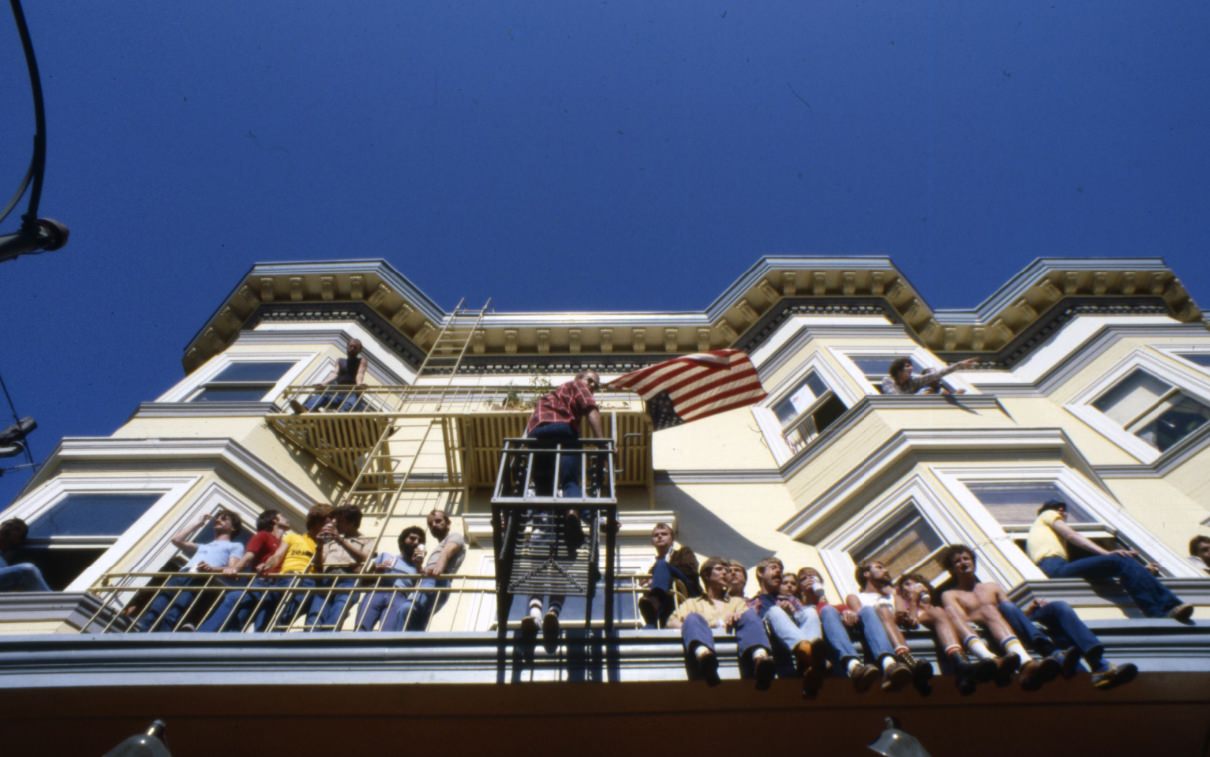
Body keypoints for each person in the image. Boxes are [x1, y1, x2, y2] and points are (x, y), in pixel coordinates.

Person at [941, 544, 1137, 690]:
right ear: (952, 569)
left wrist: (1030, 610)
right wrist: (985, 614)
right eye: (957, 562)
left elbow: (1013, 613)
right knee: (1002, 608)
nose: (963, 563)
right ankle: (1054, 653)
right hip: (995, 632)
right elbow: (961, 622)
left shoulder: (992, 586)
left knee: (1058, 607)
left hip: (1012, 624)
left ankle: (1099, 664)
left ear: (973, 562)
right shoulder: (952, 594)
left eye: (966, 558)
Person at [1027, 499, 1193, 620]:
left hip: (1056, 566)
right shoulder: (1047, 515)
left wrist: (1142, 572)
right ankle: (1168, 606)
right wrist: (1105, 553)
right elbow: (1071, 535)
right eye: (1058, 508)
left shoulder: (1042, 533)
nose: (1062, 511)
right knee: (1119, 560)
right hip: (1054, 565)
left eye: (1063, 509)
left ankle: (1157, 612)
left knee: (1120, 565)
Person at [666, 557, 777, 690]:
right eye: (719, 569)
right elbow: (671, 622)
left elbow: (749, 622)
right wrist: (699, 627)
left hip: (737, 646)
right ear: (707, 575)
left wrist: (739, 616)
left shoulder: (736, 602)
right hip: (704, 647)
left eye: (726, 570)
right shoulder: (692, 603)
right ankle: (705, 660)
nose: (725, 573)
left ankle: (761, 660)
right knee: (692, 618)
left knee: (750, 615)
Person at [136, 509, 245, 632]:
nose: (219, 520)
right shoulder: (204, 546)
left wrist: (211, 569)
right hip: (182, 574)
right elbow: (177, 540)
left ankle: (159, 643)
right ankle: (139, 637)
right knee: (156, 608)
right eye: (218, 517)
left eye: (224, 519)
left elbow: (232, 569)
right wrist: (198, 523)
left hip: (200, 578)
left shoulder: (235, 546)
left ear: (233, 528)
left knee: (174, 613)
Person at [892, 573, 991, 695]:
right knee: (939, 612)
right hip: (919, 617)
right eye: (907, 584)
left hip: (936, 617)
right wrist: (913, 600)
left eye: (917, 583)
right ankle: (959, 662)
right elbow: (913, 622)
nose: (913, 586)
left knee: (945, 611)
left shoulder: (937, 608)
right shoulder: (902, 601)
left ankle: (962, 663)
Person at [745, 558, 829, 695]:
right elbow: (753, 623)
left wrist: (791, 613)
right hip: (774, 642)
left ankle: (809, 659)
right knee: (774, 610)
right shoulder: (751, 602)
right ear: (760, 573)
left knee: (809, 611)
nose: (778, 571)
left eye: (780, 569)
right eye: (773, 568)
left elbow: (804, 619)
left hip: (792, 639)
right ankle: (812, 656)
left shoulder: (791, 600)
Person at [198, 509, 289, 632]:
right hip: (261, 583)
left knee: (258, 622)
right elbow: (249, 556)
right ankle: (203, 633)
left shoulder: (284, 543)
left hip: (276, 587)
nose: (286, 519)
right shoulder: (263, 535)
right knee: (235, 599)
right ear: (274, 520)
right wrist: (235, 569)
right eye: (282, 516)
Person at [795, 568, 883, 693]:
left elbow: (856, 621)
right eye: (803, 578)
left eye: (813, 576)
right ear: (799, 587)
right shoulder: (800, 611)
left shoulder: (839, 607)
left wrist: (850, 616)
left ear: (821, 582)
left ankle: (856, 666)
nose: (809, 579)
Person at [845, 562, 927, 692]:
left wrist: (912, 601)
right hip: (875, 639)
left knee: (884, 610)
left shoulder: (895, 597)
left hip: (897, 634)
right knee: (882, 610)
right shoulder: (855, 597)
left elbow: (906, 618)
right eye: (879, 567)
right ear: (866, 574)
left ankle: (905, 663)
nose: (886, 570)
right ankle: (907, 661)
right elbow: (864, 618)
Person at [256, 504, 332, 630]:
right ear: (317, 522)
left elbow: (319, 568)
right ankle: (263, 634)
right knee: (268, 609)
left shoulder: (326, 546)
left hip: (306, 581)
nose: (328, 527)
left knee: (285, 615)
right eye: (326, 523)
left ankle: (273, 635)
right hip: (285, 578)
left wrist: (319, 546)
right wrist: (267, 565)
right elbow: (277, 556)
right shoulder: (293, 537)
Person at [315, 504, 373, 630]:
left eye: (341, 521)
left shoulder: (367, 540)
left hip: (348, 578)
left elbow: (365, 558)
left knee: (338, 612)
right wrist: (319, 546)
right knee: (316, 614)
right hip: (327, 577)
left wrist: (340, 541)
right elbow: (319, 564)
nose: (337, 525)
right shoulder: (330, 540)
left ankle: (327, 641)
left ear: (352, 522)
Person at [358, 526, 426, 632]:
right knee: (362, 627)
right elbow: (364, 582)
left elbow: (420, 589)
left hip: (399, 596)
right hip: (377, 591)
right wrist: (377, 572)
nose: (416, 542)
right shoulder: (386, 556)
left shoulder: (418, 568)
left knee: (388, 632)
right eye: (412, 538)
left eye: (419, 541)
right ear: (403, 540)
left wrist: (418, 565)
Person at [409, 509, 465, 631]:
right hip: (430, 581)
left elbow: (446, 553)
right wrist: (418, 565)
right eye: (430, 524)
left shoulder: (454, 537)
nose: (433, 525)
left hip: (436, 582)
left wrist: (435, 572)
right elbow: (428, 571)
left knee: (407, 610)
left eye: (438, 521)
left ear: (448, 523)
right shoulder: (439, 546)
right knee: (418, 619)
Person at [637, 523, 701, 628]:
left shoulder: (683, 552)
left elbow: (690, 571)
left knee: (662, 565)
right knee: (649, 626)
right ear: (652, 541)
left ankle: (655, 601)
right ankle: (650, 627)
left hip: (688, 593)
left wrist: (665, 572)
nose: (659, 536)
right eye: (656, 535)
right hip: (669, 603)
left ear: (672, 539)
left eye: (664, 534)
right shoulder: (653, 566)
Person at [291, 338, 368, 413]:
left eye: (355, 347)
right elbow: (334, 373)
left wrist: (359, 385)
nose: (352, 348)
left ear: (359, 350)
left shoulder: (361, 361)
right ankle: (306, 409)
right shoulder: (340, 360)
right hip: (337, 393)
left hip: (351, 393)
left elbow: (360, 373)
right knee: (322, 395)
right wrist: (323, 383)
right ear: (347, 346)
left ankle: (339, 417)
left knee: (351, 401)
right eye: (350, 346)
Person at [0, 518, 51, 592]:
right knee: (27, 571)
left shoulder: (3, 563)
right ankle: (53, 602)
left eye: (16, 529)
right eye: (8, 525)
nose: (9, 529)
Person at [880, 356, 977, 395]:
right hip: (906, 407)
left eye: (911, 366)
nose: (911, 369)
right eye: (907, 366)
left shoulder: (913, 380)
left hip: (914, 405)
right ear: (898, 369)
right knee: (925, 391)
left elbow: (936, 375)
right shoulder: (888, 380)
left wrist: (959, 365)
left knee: (929, 389)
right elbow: (893, 396)